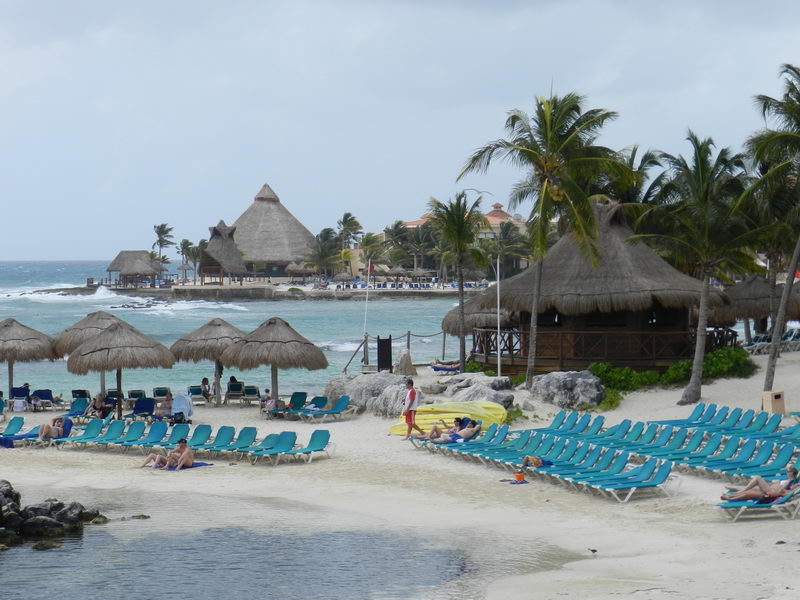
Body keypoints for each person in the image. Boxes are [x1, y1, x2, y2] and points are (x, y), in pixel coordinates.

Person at [721, 466, 800, 502]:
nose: (787, 472)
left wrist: (795, 483)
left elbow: (785, 489)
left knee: (758, 478)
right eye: (787, 471)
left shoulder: (792, 481)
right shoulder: (786, 479)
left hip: (772, 492)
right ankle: (731, 496)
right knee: (751, 491)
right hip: (770, 489)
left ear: (793, 473)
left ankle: (735, 494)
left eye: (789, 471)